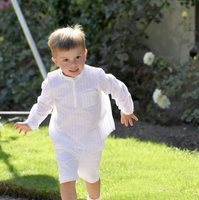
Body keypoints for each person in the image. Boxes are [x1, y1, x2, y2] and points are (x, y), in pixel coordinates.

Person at [14, 24, 138, 200]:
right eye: (65, 60)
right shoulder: (52, 82)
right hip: (64, 140)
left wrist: (126, 109)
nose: (73, 64)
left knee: (91, 176)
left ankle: (95, 198)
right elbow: (43, 105)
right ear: (55, 61)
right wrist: (31, 122)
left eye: (78, 57)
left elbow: (117, 87)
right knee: (67, 179)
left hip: (91, 138)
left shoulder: (95, 76)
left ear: (85, 54)